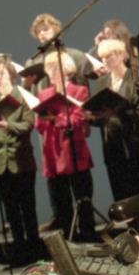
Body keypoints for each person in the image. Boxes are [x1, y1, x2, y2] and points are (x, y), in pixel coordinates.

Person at [0, 55, 41, 264]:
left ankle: (34, 249)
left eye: (2, 73)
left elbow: (29, 125)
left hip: (20, 158)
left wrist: (8, 125)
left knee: (27, 208)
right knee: (11, 211)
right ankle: (19, 251)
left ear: (11, 74)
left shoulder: (22, 95)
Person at [89, 38, 139, 209]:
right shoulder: (102, 82)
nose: (105, 60)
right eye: (102, 57)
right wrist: (92, 117)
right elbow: (101, 116)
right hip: (113, 148)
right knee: (124, 195)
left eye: (109, 55)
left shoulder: (136, 77)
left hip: (137, 144)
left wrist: (118, 113)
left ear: (122, 55)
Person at [36, 53, 97, 242]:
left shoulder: (79, 91)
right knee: (61, 200)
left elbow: (78, 118)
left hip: (73, 149)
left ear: (66, 69)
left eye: (54, 67)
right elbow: (39, 125)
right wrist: (51, 120)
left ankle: (88, 234)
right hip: (53, 152)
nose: (50, 71)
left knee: (83, 196)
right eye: (48, 67)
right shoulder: (44, 94)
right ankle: (70, 238)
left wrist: (56, 119)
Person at [26, 13, 87, 92]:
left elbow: (83, 85)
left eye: (45, 29)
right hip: (44, 99)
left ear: (55, 29)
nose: (42, 33)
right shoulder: (32, 63)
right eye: (38, 32)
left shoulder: (75, 55)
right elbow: (32, 91)